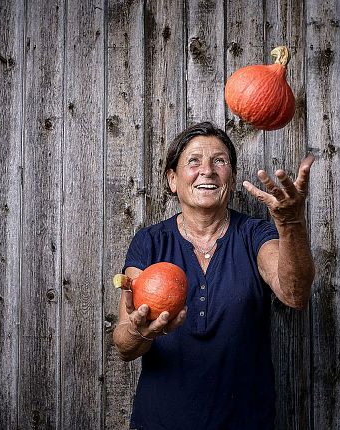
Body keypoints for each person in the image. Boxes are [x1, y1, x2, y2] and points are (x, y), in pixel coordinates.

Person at [113, 121, 315, 430]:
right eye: (193, 161)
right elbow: (125, 345)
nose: (207, 170)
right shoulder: (150, 242)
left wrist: (290, 224)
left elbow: (295, 294)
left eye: (219, 161)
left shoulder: (255, 234)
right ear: (172, 180)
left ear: (231, 180)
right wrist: (143, 333)